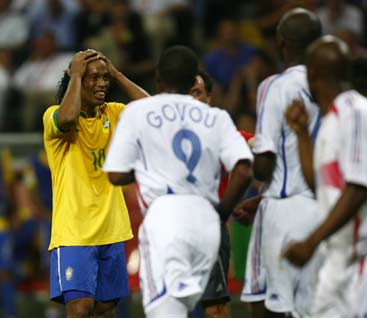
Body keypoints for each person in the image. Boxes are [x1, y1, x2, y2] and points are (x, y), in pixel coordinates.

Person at [103, 45, 253, 318]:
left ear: (158, 78)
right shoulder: (215, 117)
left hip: (165, 217)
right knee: (212, 306)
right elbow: (244, 170)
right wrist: (221, 212)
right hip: (207, 224)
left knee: (167, 310)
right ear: (191, 80)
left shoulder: (140, 112)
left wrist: (151, 167)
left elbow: (115, 174)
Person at [283, 36, 367, 317]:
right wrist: (302, 134)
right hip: (340, 259)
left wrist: (310, 242)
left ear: (312, 74)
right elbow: (320, 187)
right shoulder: (331, 122)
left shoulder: (355, 112)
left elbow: (357, 188)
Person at [42, 49, 149, 317]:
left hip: (112, 230)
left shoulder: (113, 113)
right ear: (76, 79)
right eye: (93, 78)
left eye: (104, 78)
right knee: (80, 308)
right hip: (75, 232)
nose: (101, 83)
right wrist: (76, 75)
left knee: (105, 310)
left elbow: (151, 110)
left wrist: (116, 73)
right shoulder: (54, 116)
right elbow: (67, 119)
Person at [237, 8, 323, 318]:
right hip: (326, 210)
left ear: (281, 42)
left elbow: (265, 165)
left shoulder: (275, 85)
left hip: (284, 211)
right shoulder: (332, 88)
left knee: (265, 305)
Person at [190, 69, 254, 318]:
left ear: (209, 97)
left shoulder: (222, 133)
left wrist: (223, 209)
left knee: (214, 308)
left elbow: (255, 144)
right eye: (187, 93)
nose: (192, 99)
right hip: (172, 229)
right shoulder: (164, 132)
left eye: (197, 92)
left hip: (209, 230)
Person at [0, 147, 16, 318]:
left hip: (2, 225)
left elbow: (10, 186)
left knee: (5, 273)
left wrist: (13, 216)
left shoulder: (3, 153)